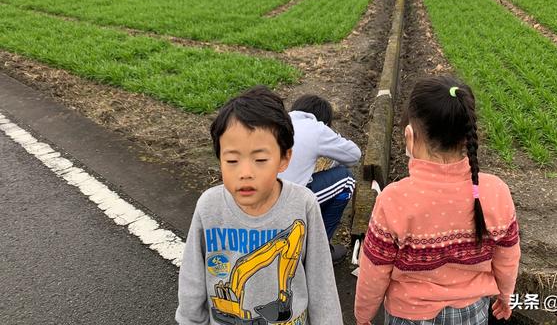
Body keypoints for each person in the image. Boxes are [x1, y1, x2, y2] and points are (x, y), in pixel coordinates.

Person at [354, 76, 520, 325]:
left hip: (407, 315)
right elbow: (507, 257)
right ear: (467, 137)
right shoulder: (495, 191)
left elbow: (374, 270)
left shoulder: (395, 199)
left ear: (409, 135)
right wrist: (505, 296)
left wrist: (363, 315)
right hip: (471, 314)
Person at [176, 86, 342, 325]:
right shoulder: (209, 207)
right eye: (232, 160)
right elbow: (192, 280)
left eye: (261, 160)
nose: (245, 173)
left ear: (284, 158)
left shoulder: (303, 204)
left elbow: (321, 283)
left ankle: (282, 299)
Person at [278, 94, 360, 263]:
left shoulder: (277, 121)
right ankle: (318, 252)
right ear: (323, 121)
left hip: (255, 201)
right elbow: (354, 155)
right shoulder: (315, 127)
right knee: (346, 180)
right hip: (284, 204)